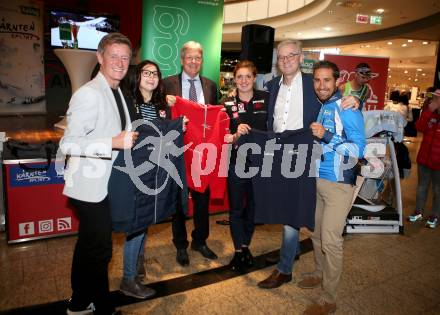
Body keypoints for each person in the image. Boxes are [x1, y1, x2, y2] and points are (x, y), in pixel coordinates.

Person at [256, 39, 359, 290]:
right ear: (277, 62)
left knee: (293, 212)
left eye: (291, 55)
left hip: (306, 155)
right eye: (281, 57)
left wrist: (354, 100)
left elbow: (336, 100)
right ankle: (290, 252)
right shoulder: (271, 87)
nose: (286, 60)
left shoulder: (312, 85)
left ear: (301, 58)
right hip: (279, 153)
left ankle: (284, 267)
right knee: (284, 207)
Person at [60, 33, 138, 315]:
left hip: (106, 184)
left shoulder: (117, 91)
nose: (119, 62)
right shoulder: (88, 93)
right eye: (114, 56)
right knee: (100, 249)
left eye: (125, 58)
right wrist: (113, 142)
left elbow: (118, 132)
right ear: (100, 57)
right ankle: (97, 304)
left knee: (89, 246)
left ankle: (81, 302)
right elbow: (68, 143)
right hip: (88, 187)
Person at [297, 61, 366, 315]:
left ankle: (329, 298)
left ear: (337, 81)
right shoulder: (322, 105)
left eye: (327, 80)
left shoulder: (346, 107)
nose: (321, 85)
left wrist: (327, 135)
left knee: (331, 240)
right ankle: (319, 272)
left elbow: (358, 150)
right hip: (318, 180)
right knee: (315, 233)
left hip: (339, 184)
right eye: (317, 80)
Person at [116, 59, 171, 299]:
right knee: (136, 224)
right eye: (146, 73)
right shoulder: (128, 102)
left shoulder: (162, 106)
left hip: (154, 169)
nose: (151, 77)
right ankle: (128, 278)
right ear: (138, 76)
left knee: (144, 219)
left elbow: (166, 134)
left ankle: (137, 266)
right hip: (132, 169)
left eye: (155, 74)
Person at [163, 41, 219, 266]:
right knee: (178, 202)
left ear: (202, 60)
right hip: (177, 151)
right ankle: (180, 245)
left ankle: (200, 241)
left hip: (202, 154)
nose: (194, 62)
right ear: (181, 59)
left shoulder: (210, 86)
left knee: (202, 200)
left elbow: (215, 117)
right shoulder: (167, 85)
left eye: (198, 58)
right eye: (189, 58)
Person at [221, 60, 269, 271]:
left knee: (254, 207)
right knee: (236, 209)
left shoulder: (266, 99)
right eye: (239, 77)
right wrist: (234, 134)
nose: (243, 81)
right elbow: (221, 136)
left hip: (260, 163)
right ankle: (238, 251)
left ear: (254, 78)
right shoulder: (226, 103)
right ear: (235, 79)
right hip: (236, 163)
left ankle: (246, 245)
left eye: (247, 76)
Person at [407, 88, 440, 229]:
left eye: (436, 98)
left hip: (438, 163)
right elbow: (419, 127)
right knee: (421, 187)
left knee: (438, 190)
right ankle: (418, 212)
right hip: (424, 159)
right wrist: (428, 112)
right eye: (433, 98)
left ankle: (435, 216)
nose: (433, 101)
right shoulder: (429, 113)